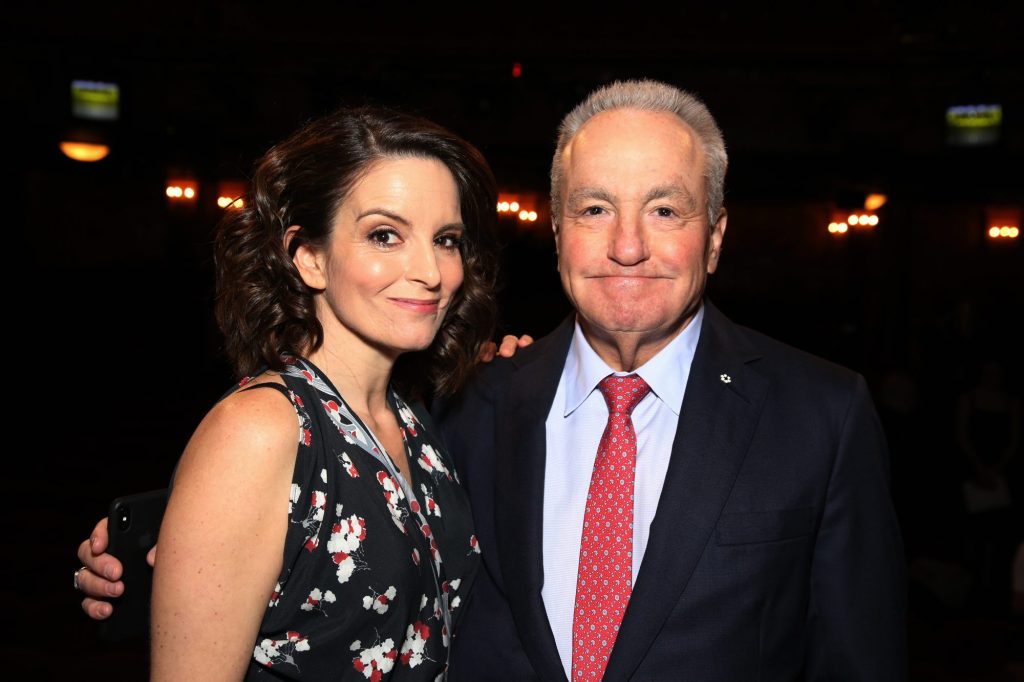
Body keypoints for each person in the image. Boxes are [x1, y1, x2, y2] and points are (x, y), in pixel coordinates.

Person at [78, 80, 906, 680]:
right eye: (592, 209)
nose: (626, 245)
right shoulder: (480, 406)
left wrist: (155, 560)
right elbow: (265, 508)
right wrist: (150, 565)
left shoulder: (820, 414)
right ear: (556, 232)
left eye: (664, 210)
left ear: (715, 236)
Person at [80, 105, 505, 680]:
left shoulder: (411, 418)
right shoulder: (261, 428)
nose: (430, 270)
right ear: (309, 257)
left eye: (446, 239)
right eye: (386, 235)